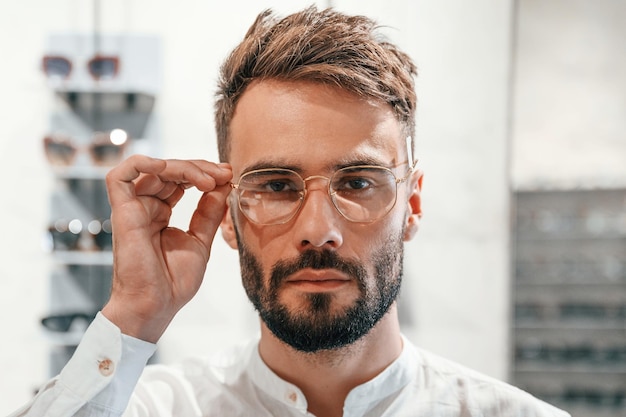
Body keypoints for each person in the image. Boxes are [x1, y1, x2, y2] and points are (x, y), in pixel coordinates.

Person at [11, 6, 569, 417]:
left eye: (356, 181)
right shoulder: (159, 407)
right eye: (277, 185)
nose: (318, 231)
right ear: (226, 214)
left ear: (412, 202)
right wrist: (134, 312)